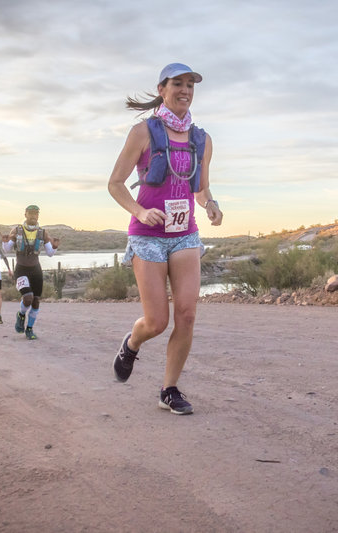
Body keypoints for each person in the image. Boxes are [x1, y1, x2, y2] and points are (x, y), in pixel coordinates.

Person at [107, 63, 223, 415]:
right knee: (156, 321)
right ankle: (131, 343)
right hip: (148, 237)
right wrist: (140, 212)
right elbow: (115, 184)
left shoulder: (202, 139)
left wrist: (211, 205)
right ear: (162, 88)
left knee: (186, 314)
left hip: (184, 234)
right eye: (178, 83)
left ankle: (169, 389)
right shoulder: (143, 132)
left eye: (190, 85)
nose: (185, 90)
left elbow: (200, 189)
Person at [1, 205, 60, 340]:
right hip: (21, 269)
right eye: (31, 213)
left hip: (36, 270)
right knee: (28, 298)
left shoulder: (42, 233)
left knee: (36, 301)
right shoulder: (17, 230)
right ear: (25, 214)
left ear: (38, 216)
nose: (33, 215)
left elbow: (50, 253)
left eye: (36, 213)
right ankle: (21, 315)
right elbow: (7, 250)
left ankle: (29, 329)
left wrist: (55, 247)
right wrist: (5, 243)